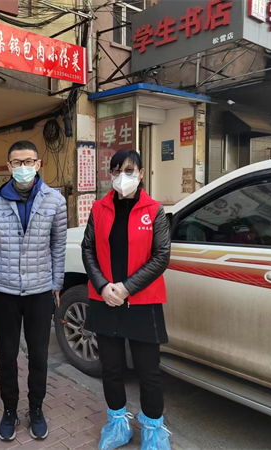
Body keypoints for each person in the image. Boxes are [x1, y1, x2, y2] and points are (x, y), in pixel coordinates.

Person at [81, 150, 171, 450]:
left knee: (148, 371)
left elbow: (161, 256)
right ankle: (118, 424)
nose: (123, 176)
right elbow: (88, 249)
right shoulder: (99, 209)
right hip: (105, 299)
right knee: (111, 368)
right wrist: (103, 286)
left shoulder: (154, 210)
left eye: (129, 170)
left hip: (143, 302)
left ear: (141, 174)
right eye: (117, 170)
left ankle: (153, 430)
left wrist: (127, 288)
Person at [0, 141, 67, 442]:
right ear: (9, 166)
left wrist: (56, 285)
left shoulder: (55, 201)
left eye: (28, 161)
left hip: (40, 291)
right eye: (17, 162)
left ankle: (36, 409)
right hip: (4, 291)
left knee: (39, 356)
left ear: (38, 164)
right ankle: (9, 410)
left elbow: (58, 246)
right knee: (6, 355)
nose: (23, 167)